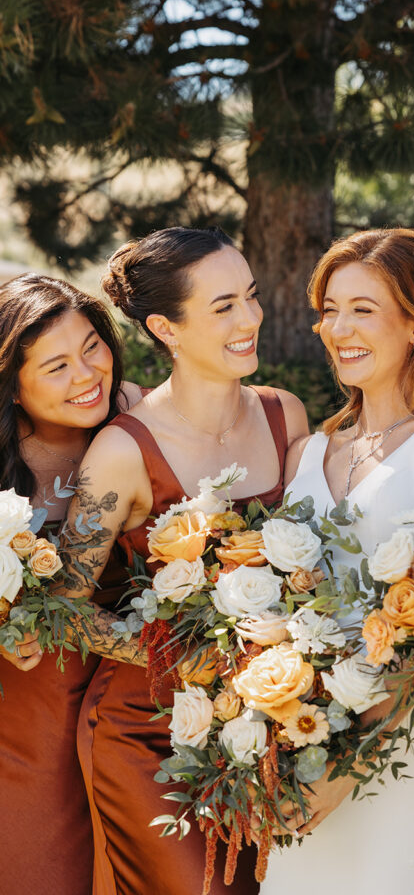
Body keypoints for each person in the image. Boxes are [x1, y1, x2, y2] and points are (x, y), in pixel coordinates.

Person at [58, 227, 309, 895]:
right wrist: (175, 654)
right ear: (165, 327)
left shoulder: (288, 418)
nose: (252, 318)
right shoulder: (120, 451)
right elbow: (59, 605)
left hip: (268, 726)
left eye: (251, 297)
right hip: (145, 738)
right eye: (224, 306)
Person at [260, 227, 414, 895]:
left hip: (402, 741)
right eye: (330, 309)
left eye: (362, 308)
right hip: (303, 737)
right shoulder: (305, 451)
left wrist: (345, 765)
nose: (338, 328)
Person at [0, 273, 141, 895]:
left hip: (137, 700)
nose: (87, 375)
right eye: (56, 365)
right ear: (12, 386)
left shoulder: (141, 419)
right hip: (29, 708)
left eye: (92, 347)